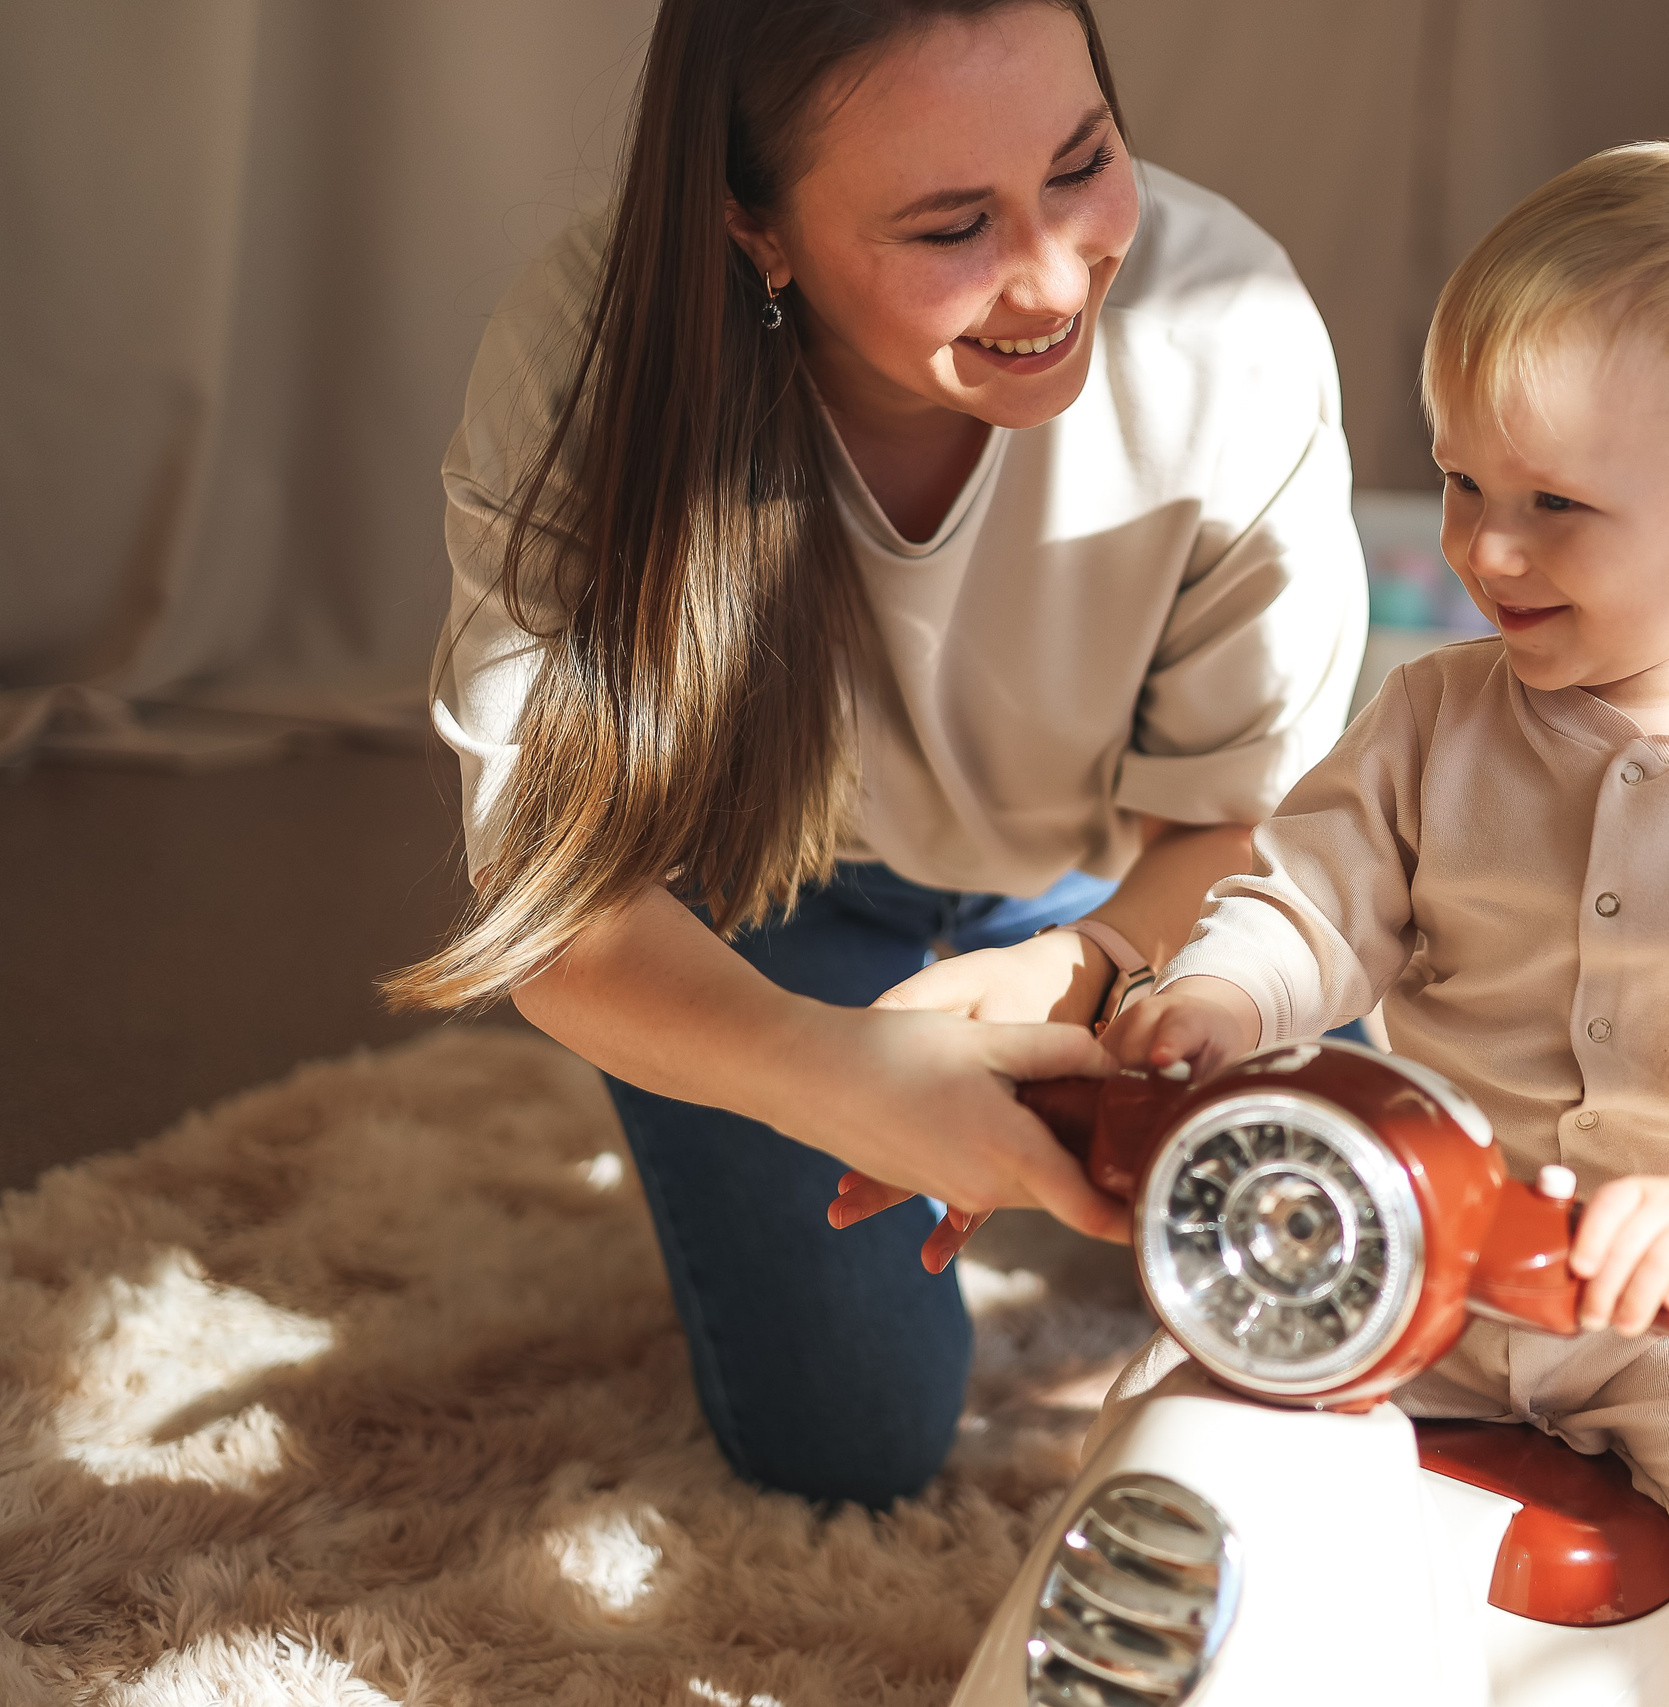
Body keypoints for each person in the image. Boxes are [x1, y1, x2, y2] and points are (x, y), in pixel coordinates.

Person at [386, 0, 1367, 1510]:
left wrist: (1091, 961)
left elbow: (1264, 821)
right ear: (757, 232)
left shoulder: (1229, 328)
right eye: (949, 225)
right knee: (846, 1444)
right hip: (771, 907)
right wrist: (817, 1069)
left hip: (1139, 885)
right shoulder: (586, 358)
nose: (1053, 275)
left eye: (1085, 159)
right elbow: (556, 899)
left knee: (1379, 1270)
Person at [1106, 144, 1669, 1704]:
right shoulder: (1434, 713)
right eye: (1460, 481)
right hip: (1433, 1255)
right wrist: (1225, 997)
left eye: (1555, 506)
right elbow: (1313, 899)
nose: (1484, 548)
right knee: (1164, 1431)